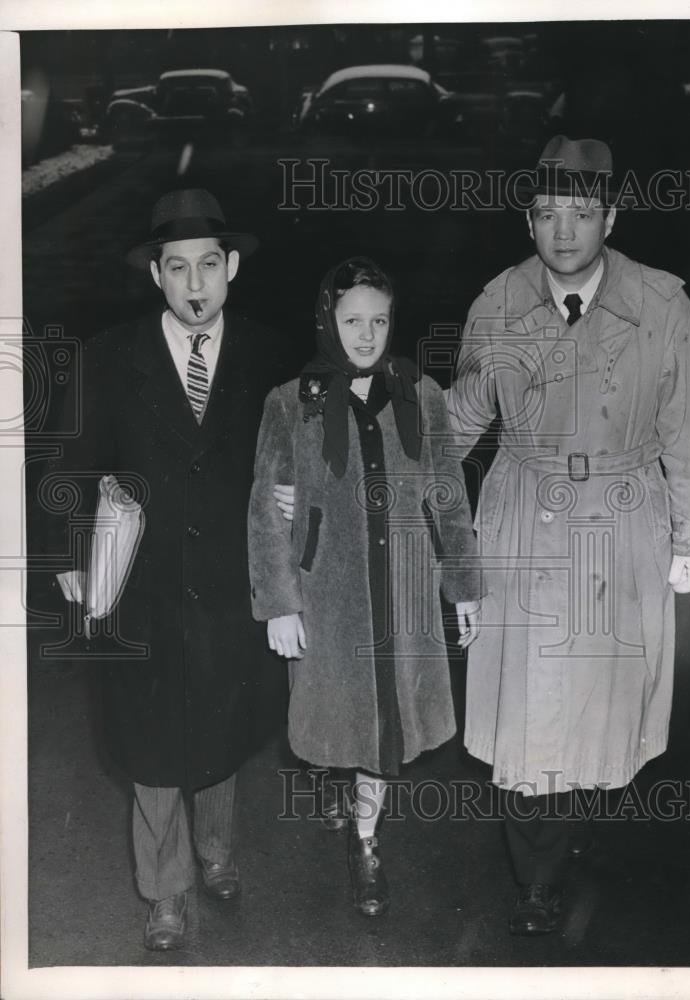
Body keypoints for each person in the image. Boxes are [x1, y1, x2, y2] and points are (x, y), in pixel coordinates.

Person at [446, 135, 690, 935]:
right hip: (523, 520)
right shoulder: (498, 302)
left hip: (624, 518)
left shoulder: (661, 304)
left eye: (581, 213)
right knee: (533, 716)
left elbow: (688, 428)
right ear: (527, 221)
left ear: (612, 215)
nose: (563, 231)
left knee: (605, 712)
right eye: (546, 214)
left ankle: (580, 845)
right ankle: (535, 879)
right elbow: (459, 421)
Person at [46, 189, 286, 951]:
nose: (193, 285)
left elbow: (295, 457)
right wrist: (65, 557)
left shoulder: (265, 354)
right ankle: (165, 891)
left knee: (220, 729)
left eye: (208, 266)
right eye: (176, 267)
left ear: (232, 267)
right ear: (156, 275)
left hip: (227, 585)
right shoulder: (110, 357)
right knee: (151, 742)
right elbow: (66, 468)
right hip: (142, 587)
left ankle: (216, 853)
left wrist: (295, 495)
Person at [248, 256, 482, 917]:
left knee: (386, 725)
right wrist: (279, 604)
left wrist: (463, 585)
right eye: (352, 320)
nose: (366, 334)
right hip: (331, 596)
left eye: (379, 320)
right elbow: (266, 508)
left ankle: (367, 839)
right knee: (335, 718)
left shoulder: (421, 397)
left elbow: (447, 497)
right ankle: (334, 783)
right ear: (329, 320)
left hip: (403, 596)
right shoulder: (291, 403)